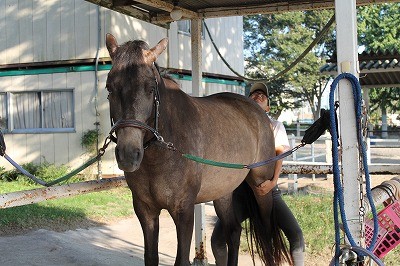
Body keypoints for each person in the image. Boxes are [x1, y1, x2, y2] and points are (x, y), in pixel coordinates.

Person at [211, 82, 305, 265]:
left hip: (268, 189)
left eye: (263, 95)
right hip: (240, 192)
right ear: (247, 102)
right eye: (254, 94)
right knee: (217, 240)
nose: (258, 95)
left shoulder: (275, 125)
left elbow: (280, 154)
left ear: (268, 107)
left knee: (296, 235)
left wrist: (272, 182)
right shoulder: (237, 128)